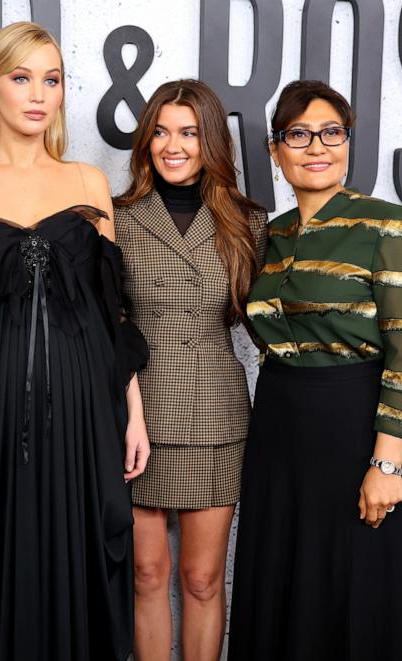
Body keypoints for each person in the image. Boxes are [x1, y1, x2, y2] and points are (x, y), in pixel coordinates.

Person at [0, 22, 151, 661]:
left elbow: (111, 311)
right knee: (0, 558)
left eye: (50, 80)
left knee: (82, 554)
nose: (37, 94)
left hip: (83, 404)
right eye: (21, 78)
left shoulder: (87, 182)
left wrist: (132, 416)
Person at [228, 80, 402, 660]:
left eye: (331, 132)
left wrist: (386, 462)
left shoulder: (385, 225)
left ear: (348, 141)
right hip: (278, 429)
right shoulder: (273, 233)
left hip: (351, 430)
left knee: (353, 587)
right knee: (279, 579)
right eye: (298, 134)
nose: (317, 147)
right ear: (275, 150)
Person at [112, 79, 266, 661]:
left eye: (189, 132)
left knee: (202, 579)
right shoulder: (118, 217)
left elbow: (269, 319)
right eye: (161, 131)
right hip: (136, 413)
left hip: (213, 412)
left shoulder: (247, 223)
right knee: (146, 575)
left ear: (212, 143)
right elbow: (109, 320)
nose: (172, 145)